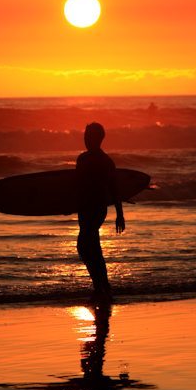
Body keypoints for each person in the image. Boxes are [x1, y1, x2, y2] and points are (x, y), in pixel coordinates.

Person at [76, 122, 125, 301]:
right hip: (84, 208)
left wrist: (120, 214)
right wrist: (67, 205)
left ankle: (101, 285)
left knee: (84, 245)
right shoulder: (81, 159)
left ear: (99, 139)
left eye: (90, 136)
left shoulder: (105, 162)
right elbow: (76, 187)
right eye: (85, 135)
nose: (86, 139)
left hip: (97, 209)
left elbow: (114, 188)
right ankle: (102, 285)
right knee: (92, 247)